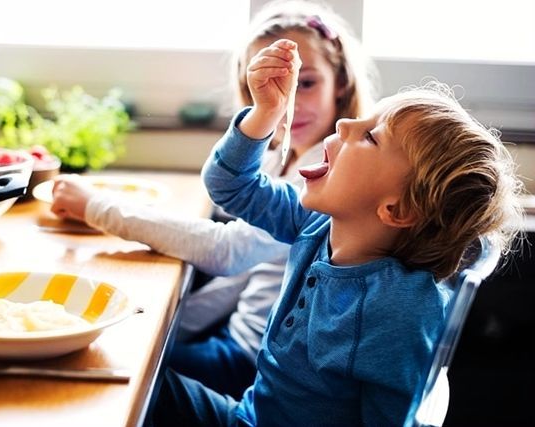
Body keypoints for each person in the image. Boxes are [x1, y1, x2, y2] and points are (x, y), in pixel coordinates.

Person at [150, 39, 524, 426]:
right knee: (141, 381)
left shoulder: (400, 312)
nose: (344, 123)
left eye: (370, 136)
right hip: (250, 416)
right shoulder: (316, 225)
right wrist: (266, 113)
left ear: (397, 210)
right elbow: (231, 186)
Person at [50, 0, 377, 399]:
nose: (290, 102)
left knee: (108, 373)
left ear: (340, 81)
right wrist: (164, 327)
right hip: (235, 336)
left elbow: (228, 253)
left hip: (255, 361)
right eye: (271, 87)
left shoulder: (329, 181)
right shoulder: (279, 158)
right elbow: (237, 280)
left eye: (305, 83)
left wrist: (98, 207)